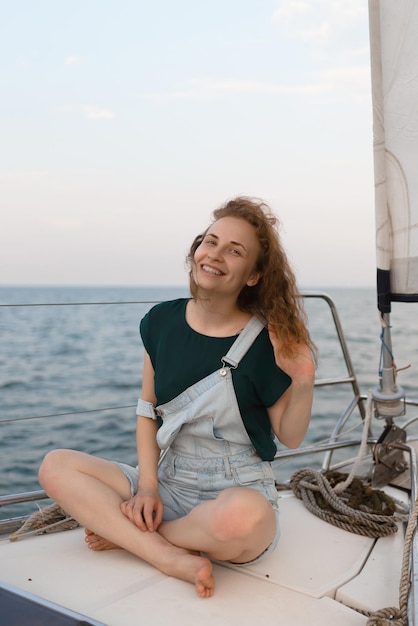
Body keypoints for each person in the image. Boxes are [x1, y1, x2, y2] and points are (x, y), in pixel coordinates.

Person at [38, 196, 316, 598]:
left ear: (253, 275)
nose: (215, 255)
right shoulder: (161, 321)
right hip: (167, 481)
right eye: (210, 241)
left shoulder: (267, 340)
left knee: (242, 519)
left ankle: (138, 539)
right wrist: (147, 487)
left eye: (234, 251)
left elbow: (289, 437)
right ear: (196, 249)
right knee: (56, 466)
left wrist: (303, 380)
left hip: (235, 489)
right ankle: (168, 555)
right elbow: (148, 411)